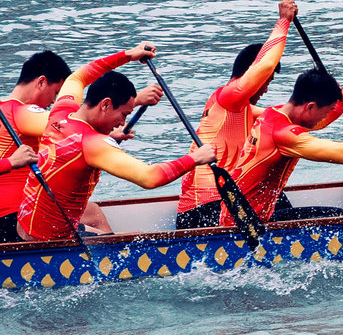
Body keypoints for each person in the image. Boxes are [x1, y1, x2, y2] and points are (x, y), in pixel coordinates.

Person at [0, 46, 152, 244]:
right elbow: (72, 126)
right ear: (41, 82)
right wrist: (132, 101)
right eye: (56, 93)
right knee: (102, 236)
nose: (54, 101)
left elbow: (70, 139)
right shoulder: (22, 113)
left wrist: (110, 128)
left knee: (93, 212)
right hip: (12, 223)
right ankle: (113, 266)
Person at [17, 66, 213, 245]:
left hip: (26, 225)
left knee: (94, 214)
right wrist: (195, 158)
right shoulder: (93, 144)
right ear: (105, 105)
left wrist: (129, 55)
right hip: (48, 241)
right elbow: (150, 177)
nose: (122, 123)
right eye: (124, 114)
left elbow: (77, 77)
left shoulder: (60, 112)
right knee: (138, 238)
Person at [224, 64, 343, 227]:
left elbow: (322, 120)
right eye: (325, 111)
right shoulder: (285, 135)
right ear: (310, 106)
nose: (326, 118)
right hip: (247, 225)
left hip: (237, 213)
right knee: (338, 218)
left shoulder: (273, 114)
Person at [172, 0, 297, 230]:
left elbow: (300, 116)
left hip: (224, 202)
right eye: (266, 83)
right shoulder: (227, 97)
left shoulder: (247, 111)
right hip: (207, 210)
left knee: (275, 196)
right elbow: (264, 67)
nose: (266, 89)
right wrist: (283, 22)